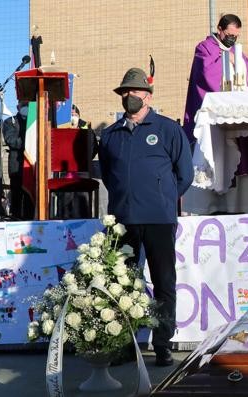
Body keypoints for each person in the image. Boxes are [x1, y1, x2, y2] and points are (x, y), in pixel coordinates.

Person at [100, 68, 192, 366]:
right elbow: (107, 176)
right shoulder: (110, 135)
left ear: (147, 96)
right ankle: (125, 345)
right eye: (124, 92)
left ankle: (163, 344)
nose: (129, 96)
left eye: (134, 91)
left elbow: (185, 174)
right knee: (123, 284)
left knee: (164, 282)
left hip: (159, 220)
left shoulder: (167, 129)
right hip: (124, 219)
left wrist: (163, 198)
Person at [182, 14, 248, 210]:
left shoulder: (235, 50)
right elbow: (207, 75)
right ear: (220, 29)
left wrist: (237, 61)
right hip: (212, 119)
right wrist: (229, 61)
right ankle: (206, 208)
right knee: (211, 161)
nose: (232, 39)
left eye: (236, 35)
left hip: (233, 118)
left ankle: (236, 208)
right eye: (230, 34)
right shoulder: (204, 48)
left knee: (236, 162)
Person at [2, 99, 33, 220]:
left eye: (28, 105)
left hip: (31, 165)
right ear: (17, 107)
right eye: (23, 104)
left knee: (29, 197)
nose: (25, 107)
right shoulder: (10, 122)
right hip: (16, 165)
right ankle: (16, 218)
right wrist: (29, 141)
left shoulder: (34, 123)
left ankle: (30, 219)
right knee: (16, 195)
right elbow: (11, 141)